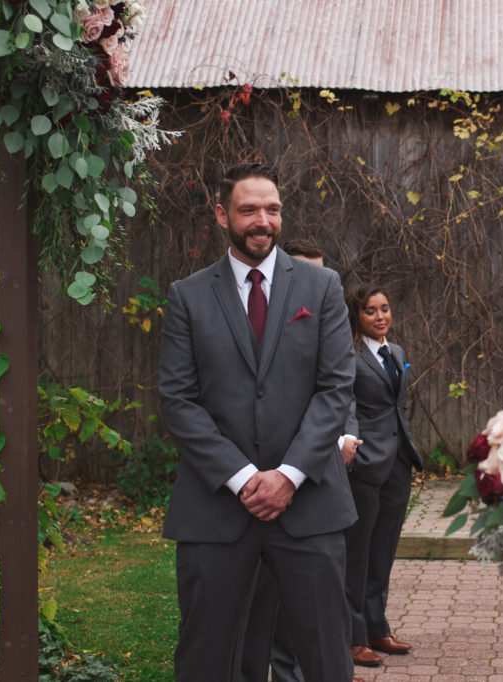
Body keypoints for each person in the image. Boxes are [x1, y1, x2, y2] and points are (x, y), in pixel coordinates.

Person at [159, 163, 358, 682]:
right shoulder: (188, 296)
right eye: (249, 210)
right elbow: (178, 401)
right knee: (207, 660)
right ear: (223, 214)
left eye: (272, 209)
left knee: (326, 660)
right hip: (217, 511)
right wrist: (247, 478)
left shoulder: (322, 288)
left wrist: (288, 475)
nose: (262, 220)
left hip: (309, 505)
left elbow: (335, 388)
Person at [240, 237, 363, 682]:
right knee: (254, 622)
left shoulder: (326, 304)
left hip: (314, 491)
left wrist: (304, 465)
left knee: (318, 631)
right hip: (244, 498)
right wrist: (250, 478)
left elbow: (336, 386)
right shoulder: (236, 304)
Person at [342, 283, 423, 670]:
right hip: (366, 462)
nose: (381, 316)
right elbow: (347, 404)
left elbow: (399, 406)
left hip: (398, 463)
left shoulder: (398, 353)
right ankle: (353, 638)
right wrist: (352, 447)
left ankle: (378, 628)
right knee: (358, 554)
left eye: (385, 308)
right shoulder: (350, 356)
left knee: (383, 553)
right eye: (371, 311)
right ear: (357, 317)